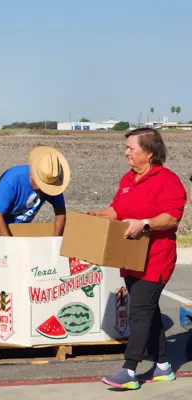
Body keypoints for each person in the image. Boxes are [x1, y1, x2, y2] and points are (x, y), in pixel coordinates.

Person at [87, 128, 186, 390]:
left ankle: (129, 370)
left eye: (131, 148)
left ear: (149, 153)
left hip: (156, 259)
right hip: (130, 257)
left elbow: (171, 217)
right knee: (148, 311)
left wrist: (144, 223)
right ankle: (163, 366)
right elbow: (117, 210)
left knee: (139, 313)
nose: (126, 152)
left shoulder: (168, 181)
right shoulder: (128, 179)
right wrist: (98, 215)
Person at [0, 146, 69, 236]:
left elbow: (60, 212)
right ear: (33, 175)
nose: (45, 190)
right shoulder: (12, 179)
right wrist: (9, 242)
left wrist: (55, 240)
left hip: (19, 227)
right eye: (43, 185)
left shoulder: (51, 179)